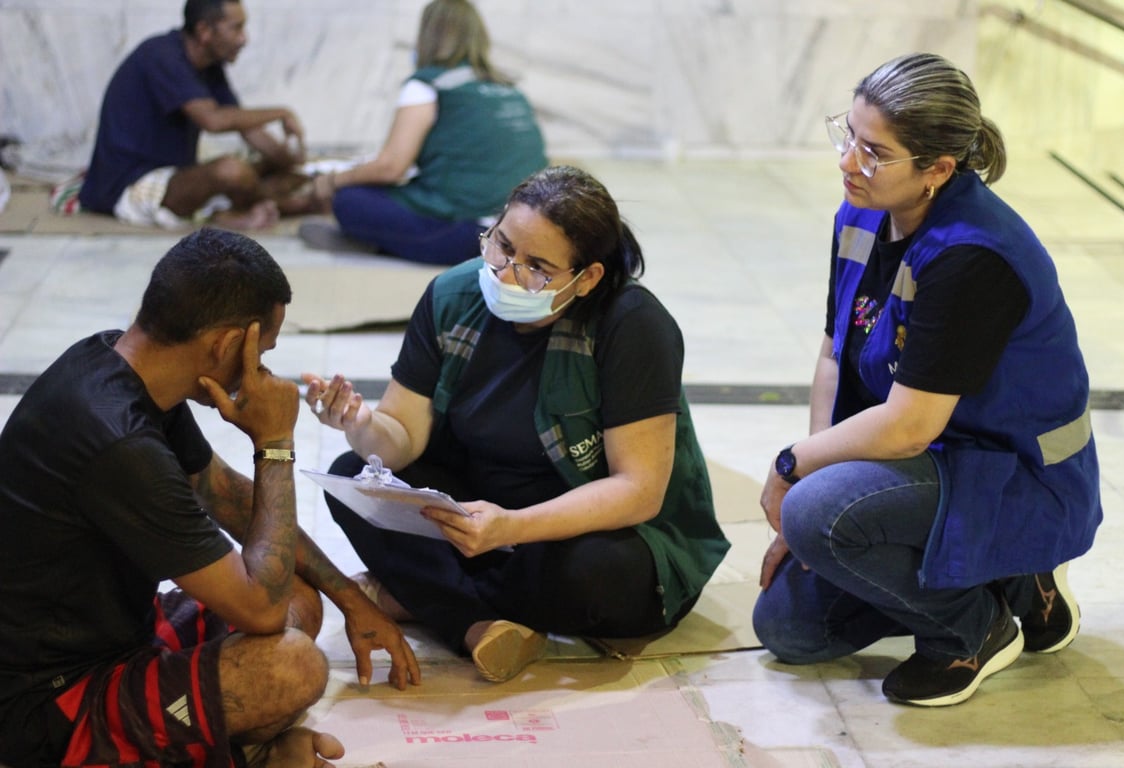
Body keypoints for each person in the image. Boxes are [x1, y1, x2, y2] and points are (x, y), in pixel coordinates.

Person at [752, 52, 1103, 707]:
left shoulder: (973, 255)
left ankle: (978, 627)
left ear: (938, 170)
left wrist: (794, 467)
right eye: (848, 136)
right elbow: (834, 354)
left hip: (1016, 474)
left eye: (874, 152)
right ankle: (1003, 580)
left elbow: (910, 427)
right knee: (790, 630)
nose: (848, 163)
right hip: (934, 460)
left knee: (815, 514)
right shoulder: (860, 212)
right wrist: (817, 481)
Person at [0, 228, 420, 768]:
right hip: (45, 700)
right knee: (293, 667)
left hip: (121, 637)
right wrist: (275, 444)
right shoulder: (116, 442)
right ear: (225, 345)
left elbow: (226, 497)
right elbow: (261, 612)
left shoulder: (119, 362)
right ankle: (248, 756)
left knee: (300, 594)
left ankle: (238, 748)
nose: (262, 371)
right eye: (261, 352)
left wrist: (353, 601)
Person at [302, 165, 730, 682]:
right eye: (501, 246)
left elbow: (637, 491)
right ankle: (475, 622)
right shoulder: (453, 296)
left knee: (598, 576)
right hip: (485, 515)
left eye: (536, 267)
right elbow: (400, 438)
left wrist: (512, 527)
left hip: (583, 525)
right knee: (358, 476)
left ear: (587, 276)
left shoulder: (631, 324)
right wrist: (359, 422)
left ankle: (427, 597)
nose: (506, 273)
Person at [302, 0, 547, 265]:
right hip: (523, 233)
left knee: (349, 200)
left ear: (427, 35)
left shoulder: (428, 84)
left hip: (466, 235)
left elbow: (391, 167)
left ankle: (381, 245)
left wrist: (332, 181)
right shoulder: (509, 89)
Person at [77, 0, 316, 231]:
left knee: (268, 169)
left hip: (176, 173)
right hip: (129, 184)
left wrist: (288, 161)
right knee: (231, 171)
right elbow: (213, 120)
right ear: (204, 31)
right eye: (236, 28)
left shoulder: (210, 65)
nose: (244, 39)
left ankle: (249, 205)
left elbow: (242, 123)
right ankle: (288, 205)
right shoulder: (162, 57)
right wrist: (283, 112)